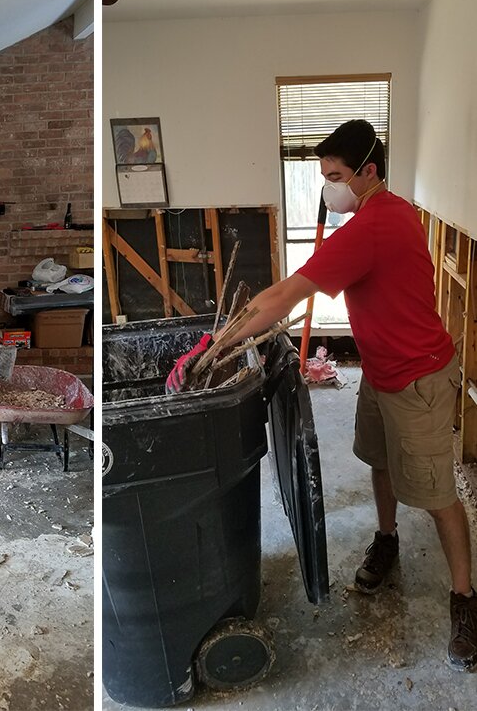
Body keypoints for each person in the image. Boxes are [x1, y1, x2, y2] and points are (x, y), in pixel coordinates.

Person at [167, 119, 476, 671]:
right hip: (380, 372)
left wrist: (215, 342)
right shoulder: (387, 211)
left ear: (369, 173)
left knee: (435, 494)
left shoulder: (374, 226)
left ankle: (465, 599)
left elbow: (286, 294)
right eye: (324, 175)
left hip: (419, 377)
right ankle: (387, 539)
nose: (327, 187)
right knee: (380, 463)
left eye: (335, 176)